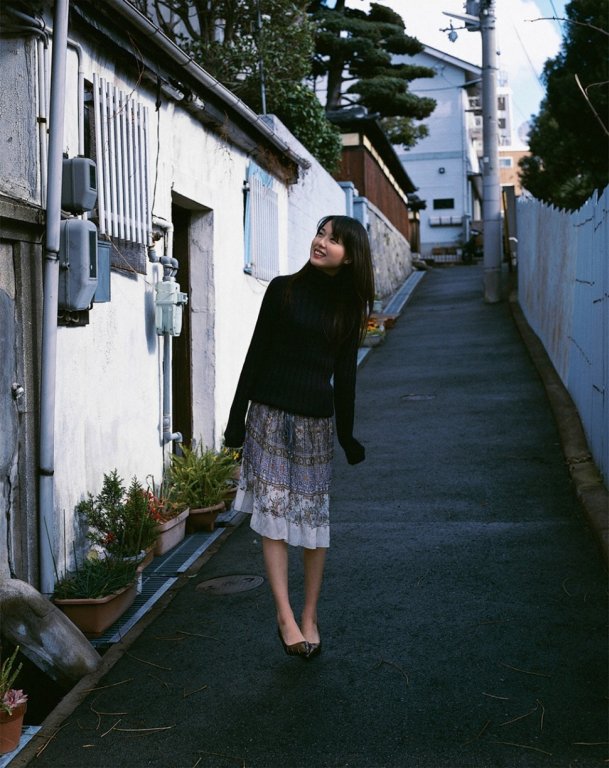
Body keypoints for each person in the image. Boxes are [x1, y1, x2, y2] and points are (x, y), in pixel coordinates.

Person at [224, 215, 374, 658]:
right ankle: (285, 615)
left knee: (312, 522)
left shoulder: (349, 309)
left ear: (351, 257)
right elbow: (255, 355)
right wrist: (235, 419)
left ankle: (310, 615)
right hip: (268, 418)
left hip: (315, 426)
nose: (321, 242)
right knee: (273, 516)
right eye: (320, 233)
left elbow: (346, 377)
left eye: (334, 240)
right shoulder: (282, 290)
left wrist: (347, 435)